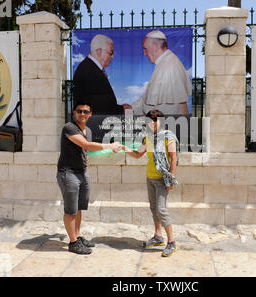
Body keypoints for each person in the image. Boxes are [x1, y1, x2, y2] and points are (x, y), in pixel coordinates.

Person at [57, 101, 122, 255]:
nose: (82, 114)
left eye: (86, 112)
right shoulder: (69, 127)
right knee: (71, 210)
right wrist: (109, 146)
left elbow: (85, 153)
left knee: (79, 208)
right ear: (74, 112)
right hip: (68, 173)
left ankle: (77, 236)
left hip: (82, 173)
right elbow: (86, 146)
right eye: (79, 111)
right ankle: (73, 243)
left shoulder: (88, 130)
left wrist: (85, 171)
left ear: (90, 114)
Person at [122, 109, 179, 257]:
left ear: (162, 121)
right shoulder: (147, 138)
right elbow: (138, 154)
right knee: (154, 208)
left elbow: (174, 158)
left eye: (156, 120)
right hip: (150, 178)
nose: (153, 123)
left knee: (161, 209)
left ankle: (172, 242)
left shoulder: (169, 137)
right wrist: (124, 148)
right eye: (150, 120)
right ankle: (158, 236)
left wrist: (170, 179)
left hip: (162, 179)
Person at [131, 30, 191, 116]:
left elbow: (164, 111)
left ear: (155, 46)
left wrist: (129, 111)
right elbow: (148, 100)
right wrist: (129, 109)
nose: (144, 53)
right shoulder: (165, 63)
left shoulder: (169, 67)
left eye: (145, 49)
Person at [73, 34, 131, 115]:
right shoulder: (90, 70)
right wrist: (121, 110)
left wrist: (120, 108)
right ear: (99, 51)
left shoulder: (91, 67)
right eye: (111, 52)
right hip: (94, 124)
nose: (113, 56)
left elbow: (100, 101)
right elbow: (97, 105)